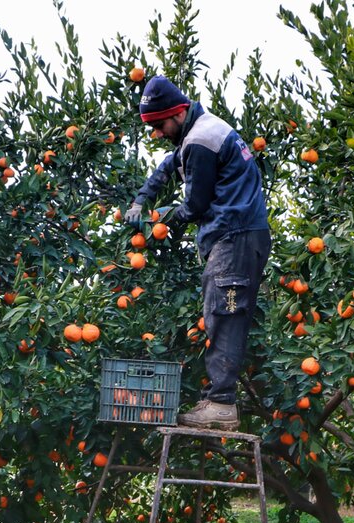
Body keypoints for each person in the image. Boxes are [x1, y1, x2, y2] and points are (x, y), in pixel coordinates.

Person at [126, 75, 271, 432]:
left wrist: (158, 221)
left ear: (176, 113)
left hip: (235, 239)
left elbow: (195, 203)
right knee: (221, 310)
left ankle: (222, 404)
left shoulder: (201, 141)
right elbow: (168, 166)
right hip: (236, 238)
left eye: (159, 125)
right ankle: (218, 397)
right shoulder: (198, 131)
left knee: (226, 311)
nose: (157, 133)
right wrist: (141, 199)